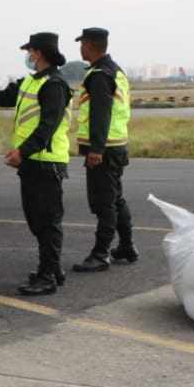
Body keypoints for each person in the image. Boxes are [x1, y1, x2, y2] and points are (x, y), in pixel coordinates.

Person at [0, 33, 72, 296]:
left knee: (47, 221)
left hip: (46, 161)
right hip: (32, 162)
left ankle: (48, 275)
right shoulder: (31, 82)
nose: (27, 55)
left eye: (30, 51)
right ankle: (52, 269)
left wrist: (22, 152)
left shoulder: (55, 85)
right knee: (37, 220)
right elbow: (3, 97)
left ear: (38, 53)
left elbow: (48, 126)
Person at [72, 27, 136, 271]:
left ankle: (100, 254)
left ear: (89, 45)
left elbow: (101, 114)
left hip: (104, 148)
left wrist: (96, 150)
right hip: (116, 144)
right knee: (115, 199)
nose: (81, 48)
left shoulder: (99, 75)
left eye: (82, 44)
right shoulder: (115, 71)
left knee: (104, 203)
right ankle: (127, 246)